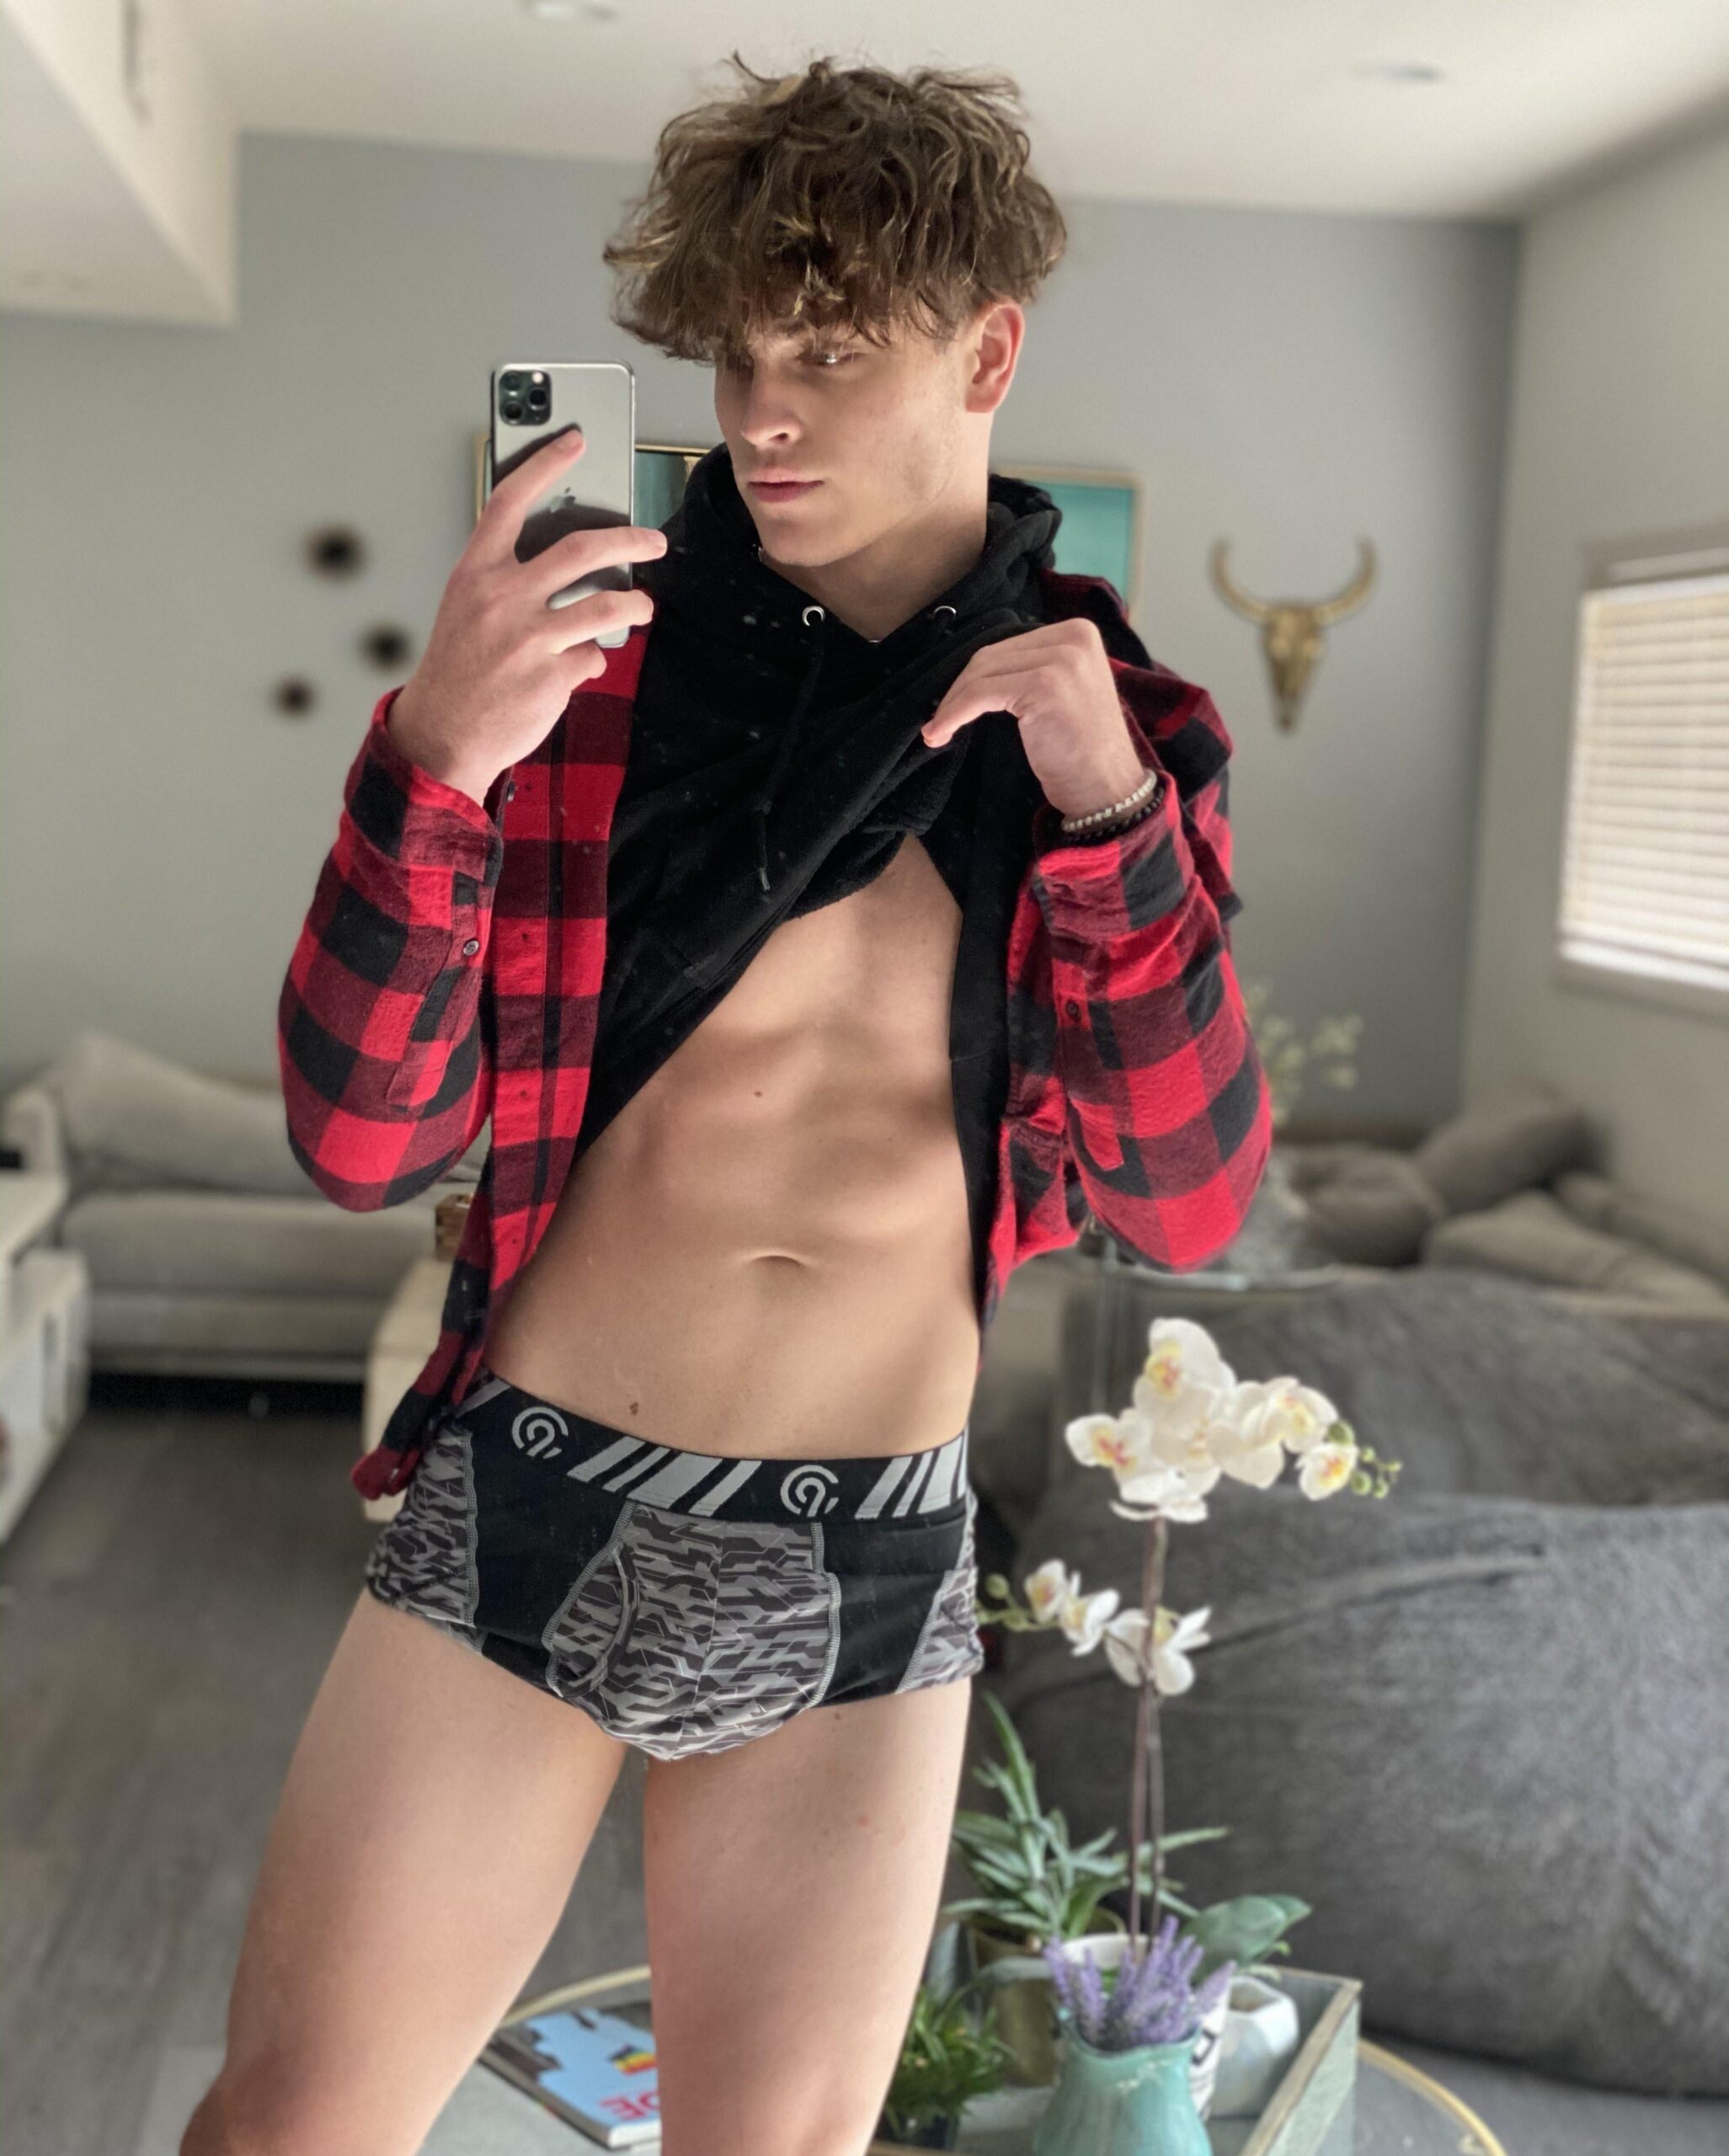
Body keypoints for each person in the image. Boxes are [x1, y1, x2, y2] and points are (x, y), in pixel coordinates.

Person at [184, 51, 1271, 2156]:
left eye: (829, 356)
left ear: (986, 355)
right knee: (285, 2129)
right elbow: (357, 1141)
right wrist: (433, 765)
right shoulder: (584, 673)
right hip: (538, 1491)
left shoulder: (1110, 735)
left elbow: (1189, 1202)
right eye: (738, 355)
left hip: (867, 1560)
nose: (761, 414)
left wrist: (1109, 821)